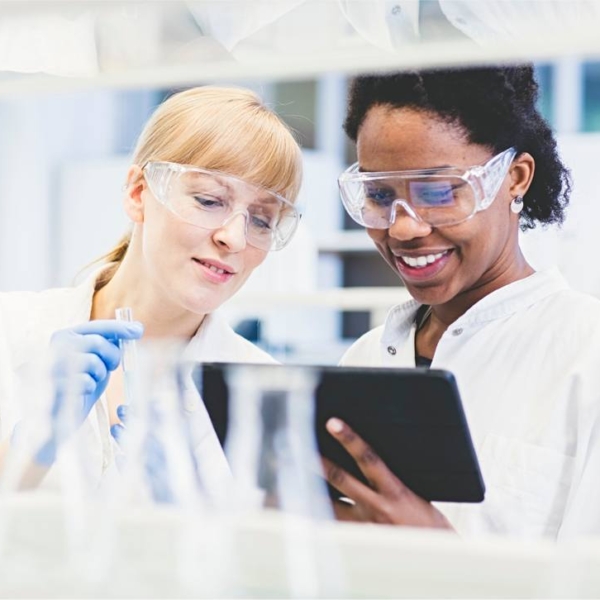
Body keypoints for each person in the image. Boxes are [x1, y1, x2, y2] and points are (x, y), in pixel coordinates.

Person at [323, 65, 600, 539]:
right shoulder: (365, 360)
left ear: (514, 178)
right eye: (379, 194)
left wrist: (443, 557)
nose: (402, 228)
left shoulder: (585, 353)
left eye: (438, 191)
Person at [0, 85, 303, 490]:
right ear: (139, 193)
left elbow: (274, 551)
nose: (234, 238)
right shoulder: (10, 328)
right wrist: (25, 453)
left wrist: (192, 527)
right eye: (210, 200)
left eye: (263, 220)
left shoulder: (268, 395)